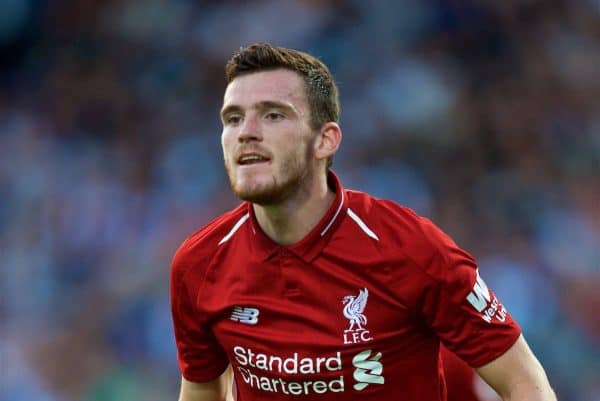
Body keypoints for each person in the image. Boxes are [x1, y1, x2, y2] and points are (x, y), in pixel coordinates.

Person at [170, 43, 556, 401]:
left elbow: (525, 382)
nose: (246, 133)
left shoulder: (412, 249)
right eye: (233, 118)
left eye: (273, 115)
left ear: (326, 140)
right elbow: (203, 391)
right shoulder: (199, 264)